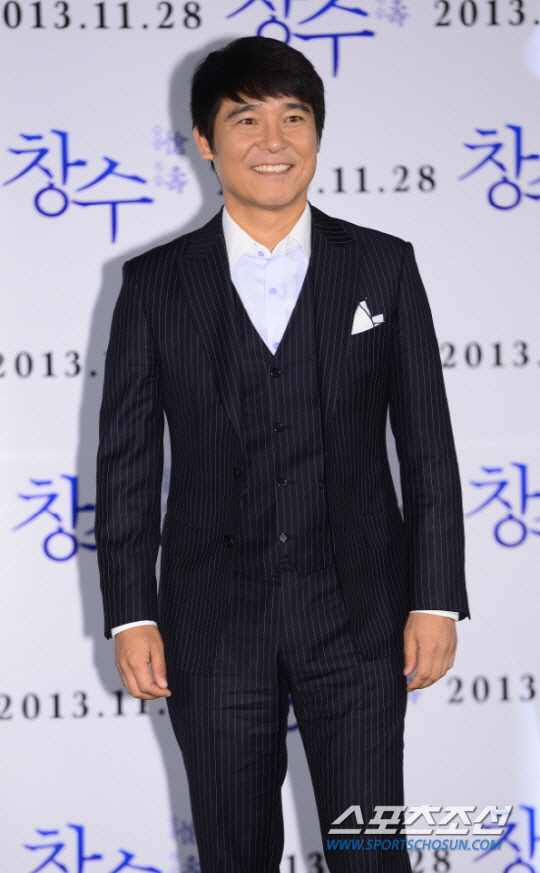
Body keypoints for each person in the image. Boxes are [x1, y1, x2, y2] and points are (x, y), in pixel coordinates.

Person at [96, 36, 469, 873]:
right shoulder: (154, 283)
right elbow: (126, 463)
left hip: (360, 615)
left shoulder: (383, 265)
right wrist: (131, 612)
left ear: (318, 134)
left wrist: (436, 595)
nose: (274, 141)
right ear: (204, 140)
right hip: (212, 621)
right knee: (234, 854)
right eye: (246, 120)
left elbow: (428, 443)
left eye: (294, 118)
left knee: (371, 850)